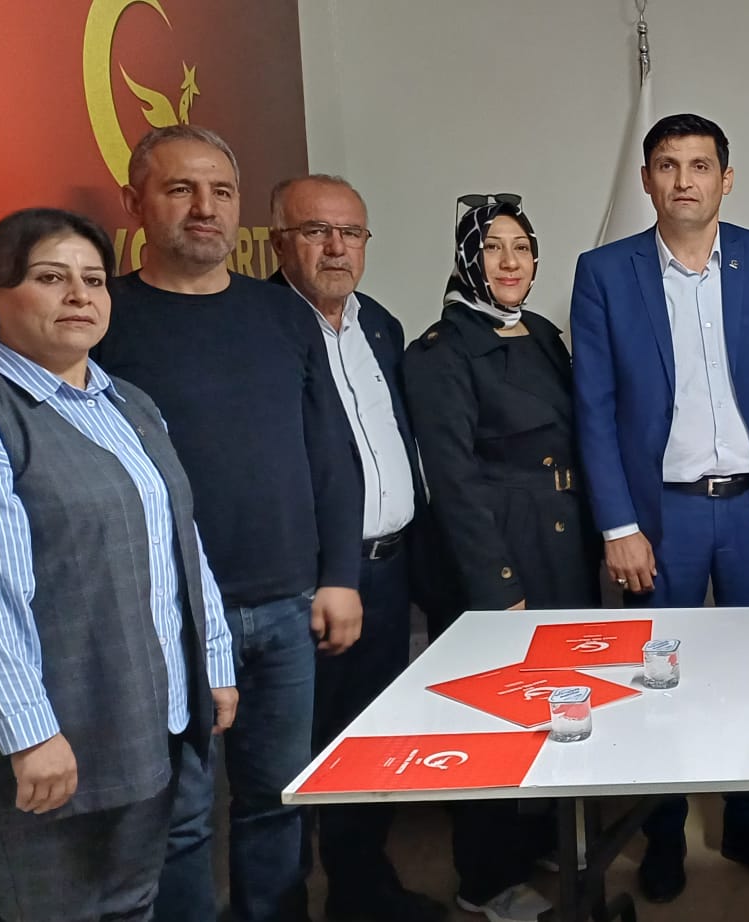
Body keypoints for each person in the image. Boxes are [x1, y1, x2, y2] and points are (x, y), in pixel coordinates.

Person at [92, 124, 364, 922]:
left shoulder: (281, 315)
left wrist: (340, 575)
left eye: (221, 191)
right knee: (178, 823)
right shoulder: (106, 319)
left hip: (286, 607)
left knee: (277, 800)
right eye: (180, 189)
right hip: (166, 619)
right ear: (135, 202)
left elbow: (330, 453)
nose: (204, 208)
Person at [0, 208, 236, 921]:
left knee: (136, 900)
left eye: (94, 280)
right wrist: (30, 733)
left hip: (153, 717)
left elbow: (183, 542)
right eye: (51, 278)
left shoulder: (127, 403)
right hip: (58, 741)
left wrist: (214, 661)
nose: (79, 296)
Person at [570, 113, 749, 902]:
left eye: (700, 165)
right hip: (659, 519)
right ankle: (664, 832)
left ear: (726, 178)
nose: (685, 180)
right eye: (669, 165)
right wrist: (618, 525)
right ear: (647, 180)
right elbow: (594, 409)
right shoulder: (604, 272)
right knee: (658, 682)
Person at [403, 196, 596, 922]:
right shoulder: (439, 350)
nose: (510, 262)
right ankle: (485, 878)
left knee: (558, 694)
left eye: (521, 247)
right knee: (493, 712)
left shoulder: (540, 332)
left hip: (561, 537)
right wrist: (498, 582)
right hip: (497, 546)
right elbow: (452, 480)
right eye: (492, 248)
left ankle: (541, 835)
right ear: (467, 259)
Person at [269, 174, 443, 922]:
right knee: (295, 754)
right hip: (311, 581)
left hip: (389, 568)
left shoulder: (381, 326)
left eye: (351, 233)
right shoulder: (261, 328)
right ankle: (285, 901)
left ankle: (362, 889)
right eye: (316, 231)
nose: (336, 248)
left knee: (370, 738)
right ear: (279, 242)